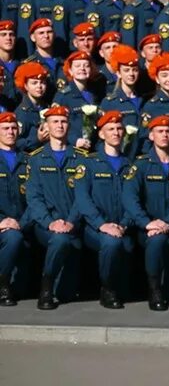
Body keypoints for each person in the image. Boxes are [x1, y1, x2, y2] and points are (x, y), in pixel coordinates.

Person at [75, 110, 136, 309]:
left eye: (119, 128)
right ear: (101, 134)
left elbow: (134, 199)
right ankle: (107, 289)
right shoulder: (89, 163)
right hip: (95, 228)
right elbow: (83, 199)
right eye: (111, 129)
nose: (116, 132)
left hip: (122, 226)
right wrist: (102, 225)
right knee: (111, 244)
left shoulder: (129, 165)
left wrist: (124, 224)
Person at [23, 103, 81, 309]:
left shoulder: (80, 157)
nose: (60, 125)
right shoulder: (37, 159)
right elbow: (34, 197)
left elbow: (83, 197)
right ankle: (46, 286)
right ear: (46, 126)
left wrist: (71, 221)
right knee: (59, 240)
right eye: (55, 122)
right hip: (45, 225)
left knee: (67, 293)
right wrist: (50, 222)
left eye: (64, 121)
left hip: (74, 223)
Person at [126, 112, 169, 311]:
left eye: (168, 131)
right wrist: (147, 223)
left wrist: (167, 221)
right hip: (148, 231)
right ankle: (154, 289)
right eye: (159, 131)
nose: (164, 135)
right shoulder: (142, 165)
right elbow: (130, 198)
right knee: (156, 240)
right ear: (151, 136)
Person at [0, 110, 26, 307]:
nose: (10, 132)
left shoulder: (28, 160)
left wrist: (21, 222)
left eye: (13, 128)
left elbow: (35, 197)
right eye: (5, 128)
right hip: (3, 223)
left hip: (23, 220)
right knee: (12, 237)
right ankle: (3, 284)